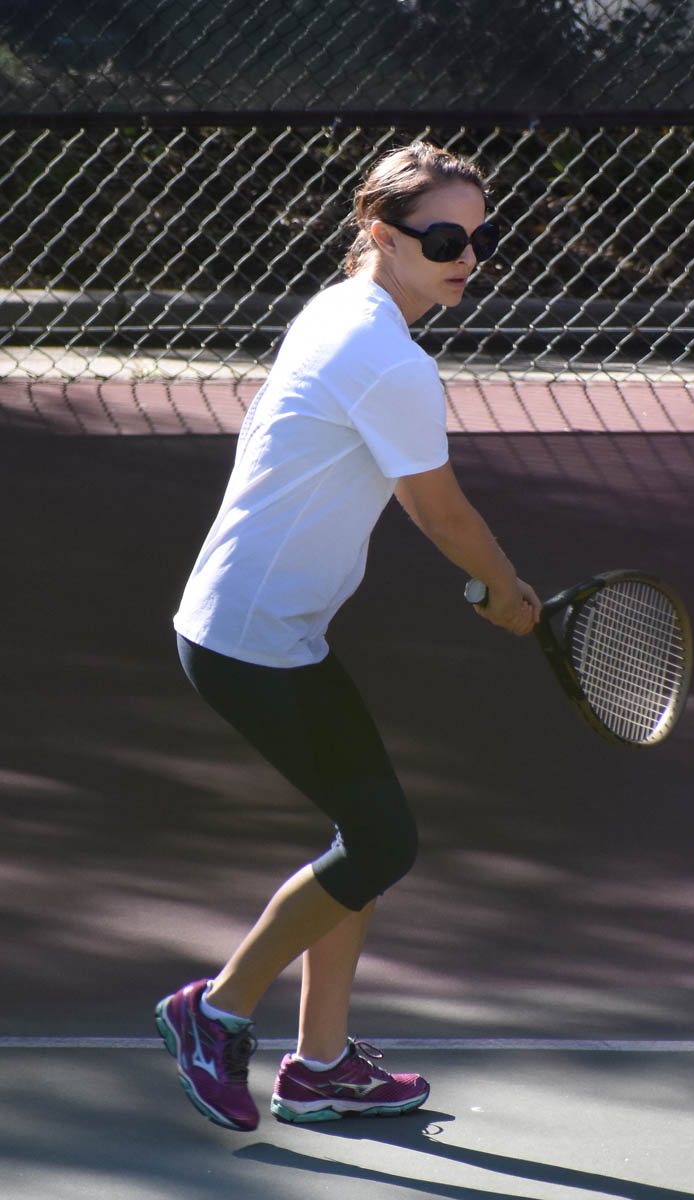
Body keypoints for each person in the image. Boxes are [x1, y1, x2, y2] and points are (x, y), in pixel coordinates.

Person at [156, 140, 540, 1132]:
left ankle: (320, 1064)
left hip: (264, 626)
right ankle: (216, 1011)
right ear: (381, 234)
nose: (467, 258)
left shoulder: (343, 309)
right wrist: (503, 589)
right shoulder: (386, 358)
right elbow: (439, 510)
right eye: (445, 239)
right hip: (249, 639)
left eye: (478, 239)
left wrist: (495, 584)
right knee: (379, 841)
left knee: (363, 840)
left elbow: (410, 493)